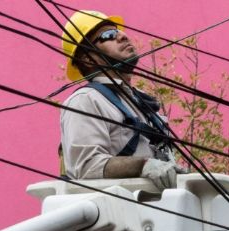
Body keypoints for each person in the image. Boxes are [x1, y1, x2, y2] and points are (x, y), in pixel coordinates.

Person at [59, 10, 185, 190]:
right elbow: (86, 165)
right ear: (87, 58)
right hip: (121, 212)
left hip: (159, 210)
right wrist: (143, 166)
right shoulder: (85, 101)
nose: (123, 36)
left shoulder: (139, 103)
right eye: (109, 35)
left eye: (119, 31)